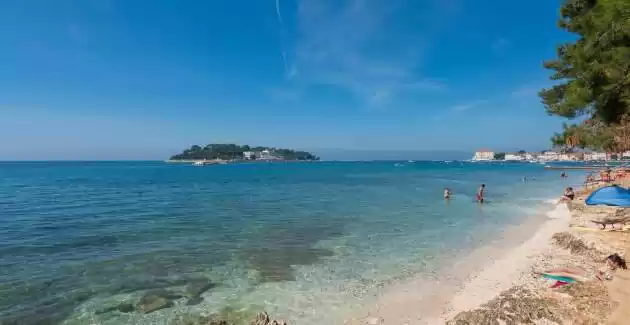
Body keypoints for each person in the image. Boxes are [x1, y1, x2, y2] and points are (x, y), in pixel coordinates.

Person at [536, 254, 627, 288]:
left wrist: (599, 274)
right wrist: (598, 271)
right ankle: (547, 270)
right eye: (608, 261)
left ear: (615, 264)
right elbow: (597, 270)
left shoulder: (612, 272)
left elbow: (603, 280)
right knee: (566, 269)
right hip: (589, 274)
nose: (607, 263)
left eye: (610, 262)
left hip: (590, 279)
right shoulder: (608, 266)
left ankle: (543, 273)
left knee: (565, 274)